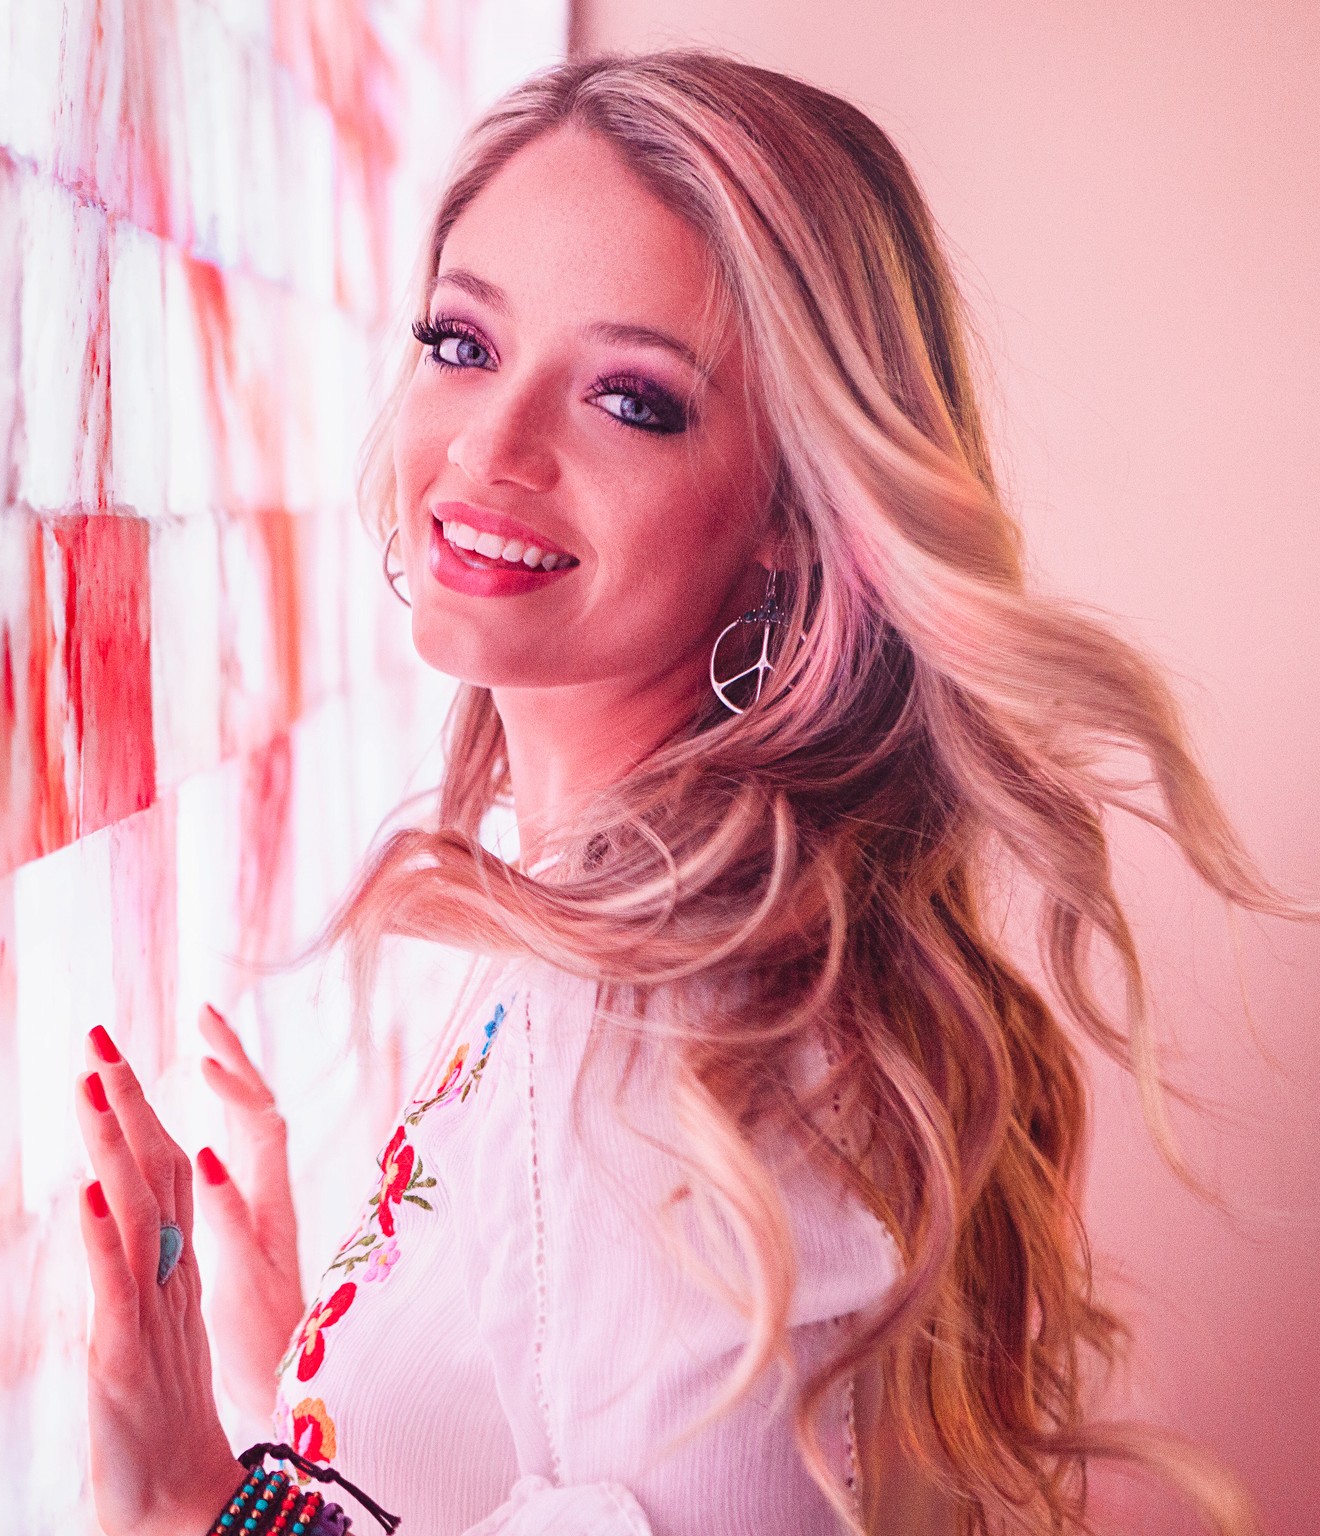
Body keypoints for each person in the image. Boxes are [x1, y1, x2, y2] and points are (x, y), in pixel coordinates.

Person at [70, 51, 1305, 1536]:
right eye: (464, 341)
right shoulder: (625, 923)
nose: (491, 445)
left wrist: (192, 1504)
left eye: (632, 400)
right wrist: (306, 1378)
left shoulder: (672, 1025)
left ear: (792, 511)